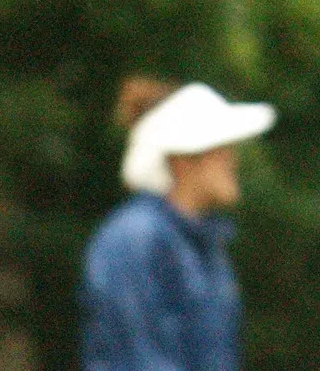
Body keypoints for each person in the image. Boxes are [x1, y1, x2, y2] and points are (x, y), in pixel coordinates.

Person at [80, 77, 277, 371]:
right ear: (183, 162)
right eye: (220, 150)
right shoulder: (135, 239)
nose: (232, 161)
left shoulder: (201, 243)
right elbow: (140, 359)